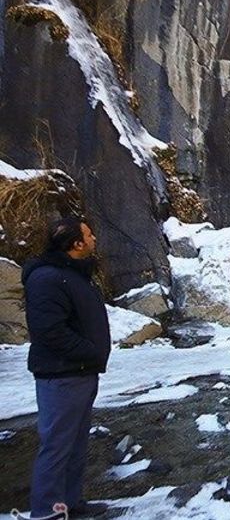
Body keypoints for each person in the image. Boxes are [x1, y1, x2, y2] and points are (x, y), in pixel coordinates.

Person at [22, 218, 110, 519]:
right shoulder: (47, 278)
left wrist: (92, 357)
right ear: (76, 243)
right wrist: (89, 351)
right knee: (57, 446)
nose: (94, 238)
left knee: (74, 445)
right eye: (88, 234)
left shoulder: (70, 274)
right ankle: (47, 512)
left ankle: (70, 505)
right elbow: (49, 331)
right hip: (62, 375)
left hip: (80, 372)